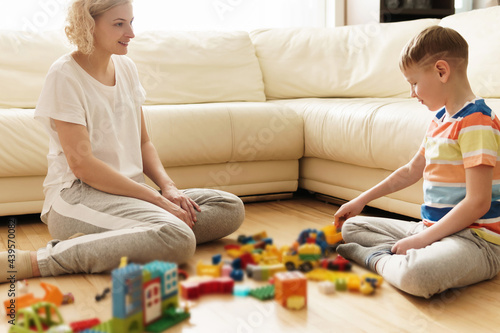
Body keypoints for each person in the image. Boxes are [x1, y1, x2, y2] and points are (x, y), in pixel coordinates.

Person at [0, 0, 244, 283]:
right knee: (177, 237)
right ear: (88, 25)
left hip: (129, 193)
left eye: (131, 22)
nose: (131, 33)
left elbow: (143, 143)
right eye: (119, 24)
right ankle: (37, 261)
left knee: (229, 207)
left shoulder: (126, 68)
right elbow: (83, 166)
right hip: (77, 196)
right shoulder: (64, 75)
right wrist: (156, 199)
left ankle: (129, 237)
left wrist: (168, 188)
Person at [333, 26, 500, 298]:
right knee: (354, 226)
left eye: (413, 83)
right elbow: (411, 171)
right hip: (431, 229)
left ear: (441, 71)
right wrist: (361, 200)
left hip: (475, 242)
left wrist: (420, 241)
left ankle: (375, 259)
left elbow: (478, 202)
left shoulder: (477, 122)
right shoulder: (440, 120)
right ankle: (403, 256)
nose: (412, 93)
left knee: (417, 277)